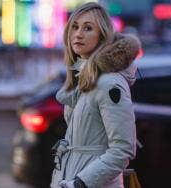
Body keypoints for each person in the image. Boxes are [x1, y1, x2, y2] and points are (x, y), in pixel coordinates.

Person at [50, 2, 141, 188]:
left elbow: (123, 149)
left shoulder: (109, 83)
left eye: (88, 28)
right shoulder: (84, 80)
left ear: (102, 36)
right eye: (74, 27)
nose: (78, 34)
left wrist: (80, 183)